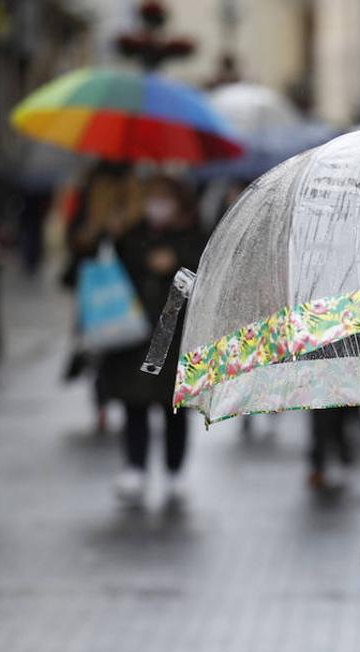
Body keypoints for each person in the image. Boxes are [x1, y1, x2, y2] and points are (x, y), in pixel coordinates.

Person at [98, 174, 206, 506]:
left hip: (175, 336)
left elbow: (204, 273)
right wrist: (110, 236)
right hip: (135, 335)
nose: (156, 204)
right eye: (151, 196)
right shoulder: (131, 235)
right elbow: (108, 270)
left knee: (173, 407)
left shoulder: (192, 234)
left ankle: (175, 470)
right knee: (135, 403)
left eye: (163, 196)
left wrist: (176, 263)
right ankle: (135, 466)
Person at [63, 164, 142, 434]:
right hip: (97, 288)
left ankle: (119, 399)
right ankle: (102, 401)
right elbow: (73, 237)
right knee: (99, 347)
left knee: (124, 345)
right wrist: (90, 234)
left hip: (128, 286)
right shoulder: (88, 194)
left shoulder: (136, 197)